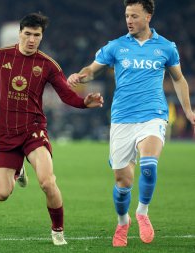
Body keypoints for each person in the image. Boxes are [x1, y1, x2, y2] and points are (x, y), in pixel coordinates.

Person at [0, 13, 103, 245]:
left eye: (37, 35)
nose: (32, 39)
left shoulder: (48, 65)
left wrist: (84, 103)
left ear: (41, 37)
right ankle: (18, 170)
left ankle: (57, 230)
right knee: (1, 194)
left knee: (47, 181)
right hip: (4, 133)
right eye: (28, 34)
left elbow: (67, 95)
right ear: (20, 33)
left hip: (33, 131)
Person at [67, 0, 195, 247]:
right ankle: (123, 222)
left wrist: (188, 111)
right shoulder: (116, 46)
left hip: (153, 114)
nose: (129, 20)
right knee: (123, 182)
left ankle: (143, 212)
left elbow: (178, 80)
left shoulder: (166, 47)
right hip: (122, 118)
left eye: (134, 16)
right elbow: (92, 70)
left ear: (148, 17)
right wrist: (81, 75)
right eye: (127, 15)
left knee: (149, 165)